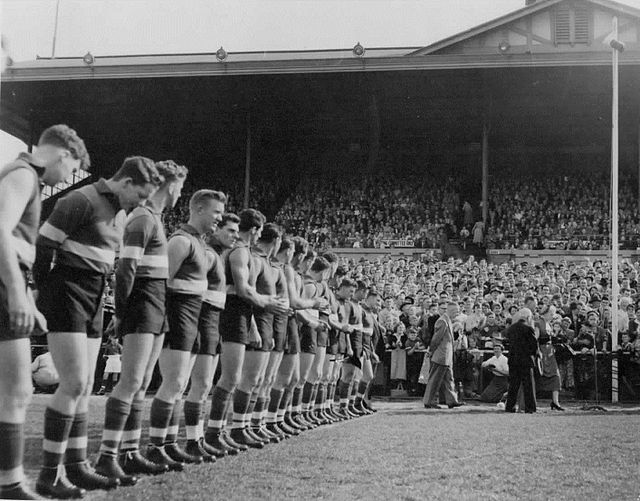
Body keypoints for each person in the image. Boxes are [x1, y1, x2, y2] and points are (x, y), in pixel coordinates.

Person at [34, 156, 161, 498]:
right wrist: (44, 293)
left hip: (94, 294)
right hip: (67, 290)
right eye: (142, 195)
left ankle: (77, 467)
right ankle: (49, 474)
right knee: (73, 382)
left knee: (86, 384)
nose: (143, 203)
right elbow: (44, 245)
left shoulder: (121, 212)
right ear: (128, 182)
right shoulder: (79, 199)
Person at [0, 124, 90, 500]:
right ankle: (10, 485)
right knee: (17, 389)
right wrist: (18, 294)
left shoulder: (21, 174)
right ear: (64, 153)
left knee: (16, 388)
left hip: (10, 281)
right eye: (71, 169)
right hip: (6, 282)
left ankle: (10, 483)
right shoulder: (23, 174)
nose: (67, 178)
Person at [93, 159, 187, 481]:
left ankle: (130, 453)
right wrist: (121, 312)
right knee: (130, 381)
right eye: (180, 186)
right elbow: (125, 269)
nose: (181, 193)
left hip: (157, 302)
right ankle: (107, 456)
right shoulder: (143, 219)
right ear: (169, 185)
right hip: (142, 301)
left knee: (143, 383)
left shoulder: (156, 219)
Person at [144, 190, 225, 470]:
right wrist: (161, 321)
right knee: (173, 383)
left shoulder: (200, 245)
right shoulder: (180, 241)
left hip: (193, 318)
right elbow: (159, 283)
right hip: (177, 315)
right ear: (199, 209)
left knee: (180, 386)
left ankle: (170, 445)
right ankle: (156, 447)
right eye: (216, 213)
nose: (219, 218)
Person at [203, 209, 287, 451]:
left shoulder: (244, 252)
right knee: (232, 378)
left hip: (240, 314)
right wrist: (268, 302)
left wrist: (253, 322)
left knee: (241, 378)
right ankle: (217, 431)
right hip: (232, 313)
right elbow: (242, 290)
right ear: (255, 231)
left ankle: (236, 428)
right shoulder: (240, 251)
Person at [422, 301, 464, 409]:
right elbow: (436, 339)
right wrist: (431, 351)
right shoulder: (442, 321)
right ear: (451, 311)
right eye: (456, 311)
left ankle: (452, 400)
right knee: (435, 380)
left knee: (449, 379)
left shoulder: (447, 320)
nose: (458, 313)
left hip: (447, 356)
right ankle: (429, 401)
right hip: (441, 355)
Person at [504, 308, 538, 413]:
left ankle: (510, 406)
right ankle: (530, 407)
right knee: (528, 385)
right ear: (528, 317)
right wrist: (533, 355)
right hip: (526, 360)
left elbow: (506, 342)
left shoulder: (511, 328)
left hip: (513, 360)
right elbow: (534, 345)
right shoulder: (529, 328)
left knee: (513, 385)